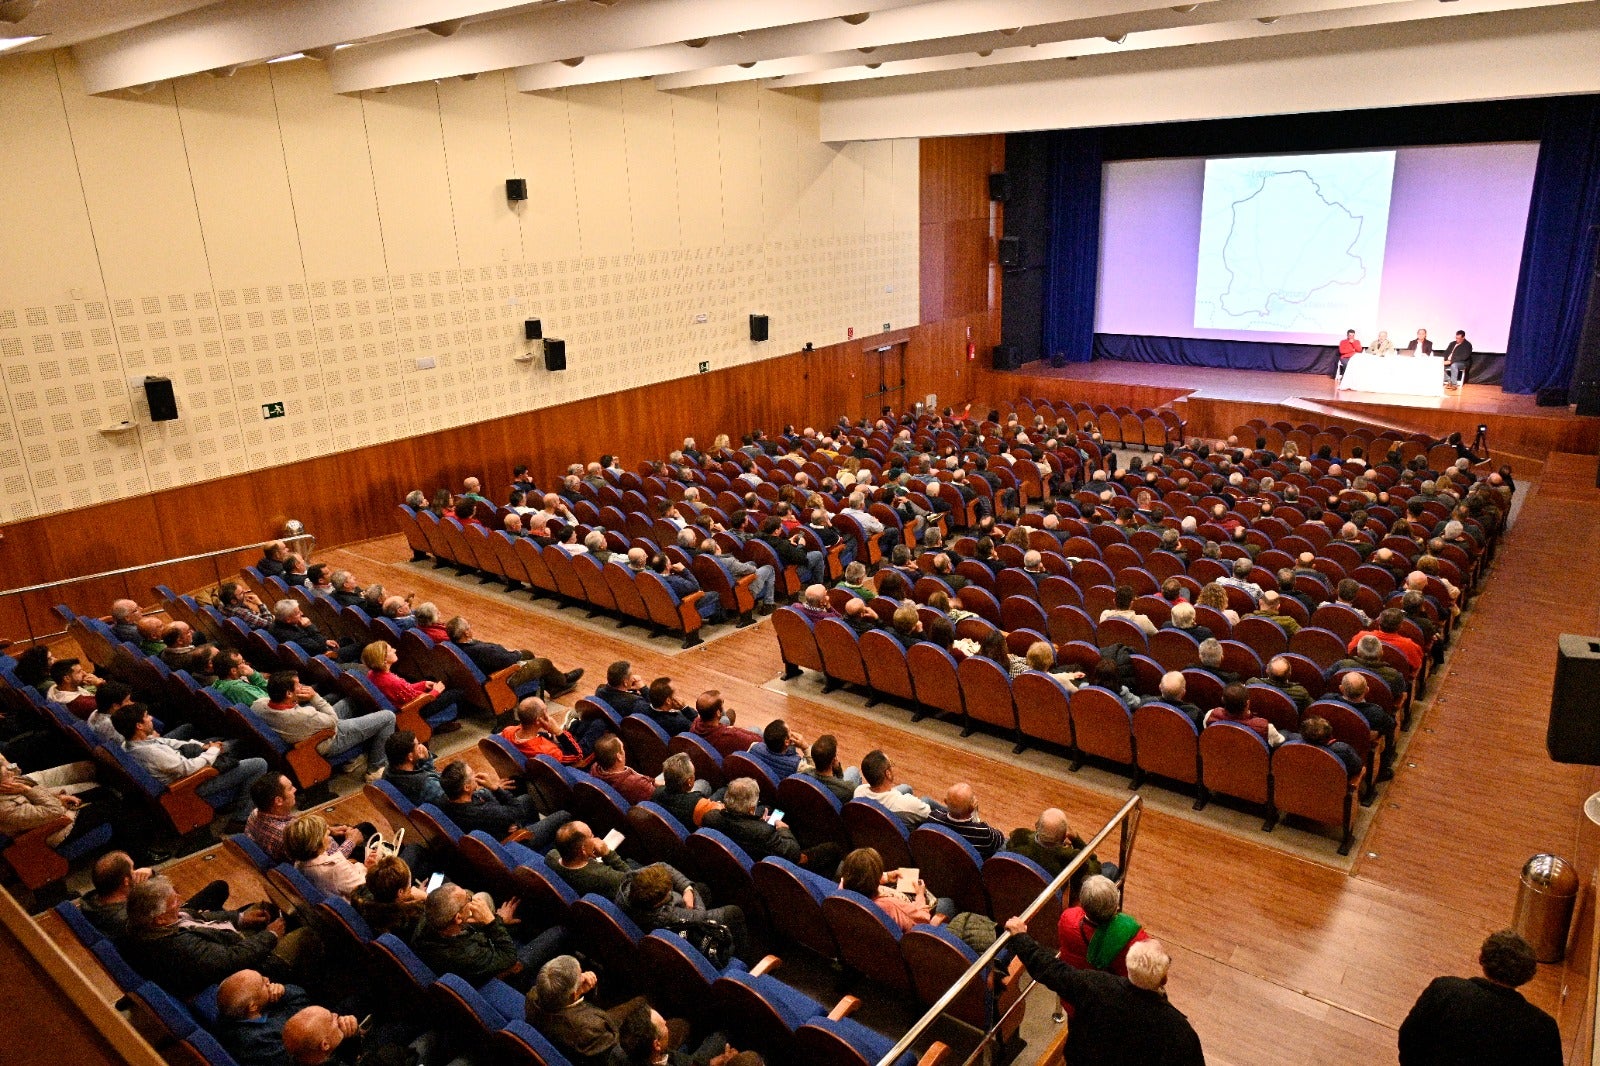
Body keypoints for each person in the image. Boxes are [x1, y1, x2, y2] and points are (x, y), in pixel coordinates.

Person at [1003, 916, 1204, 1066]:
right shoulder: (1178, 1031)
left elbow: (1049, 969)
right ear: (1164, 978)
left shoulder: (1094, 986)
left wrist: (1020, 937)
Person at [1397, 929, 1560, 1065]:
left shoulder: (1444, 990)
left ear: (1481, 958)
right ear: (1528, 976)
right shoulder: (1543, 1027)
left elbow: (1409, 1037)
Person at [251, 670, 393, 783]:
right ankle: (376, 769)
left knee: (351, 701)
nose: (302, 687)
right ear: (288, 694)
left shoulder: (258, 705)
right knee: (388, 717)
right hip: (327, 739)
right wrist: (314, 697)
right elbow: (333, 720)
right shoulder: (302, 715)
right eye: (298, 685)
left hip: (311, 728)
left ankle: (353, 759)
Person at [837, 846, 955, 931]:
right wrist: (920, 895)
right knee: (948, 903)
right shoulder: (890, 906)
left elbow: (860, 876)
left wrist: (887, 877)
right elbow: (922, 920)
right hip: (913, 922)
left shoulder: (843, 888)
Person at [215, 968, 312, 1066]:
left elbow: (301, 1001)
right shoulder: (259, 1043)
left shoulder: (232, 1014)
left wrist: (284, 991)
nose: (267, 979)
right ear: (253, 1007)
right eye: (262, 983)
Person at [927, 782, 1005, 859]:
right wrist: (974, 816)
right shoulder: (983, 832)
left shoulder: (933, 817)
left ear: (945, 802)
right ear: (972, 807)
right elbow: (1001, 839)